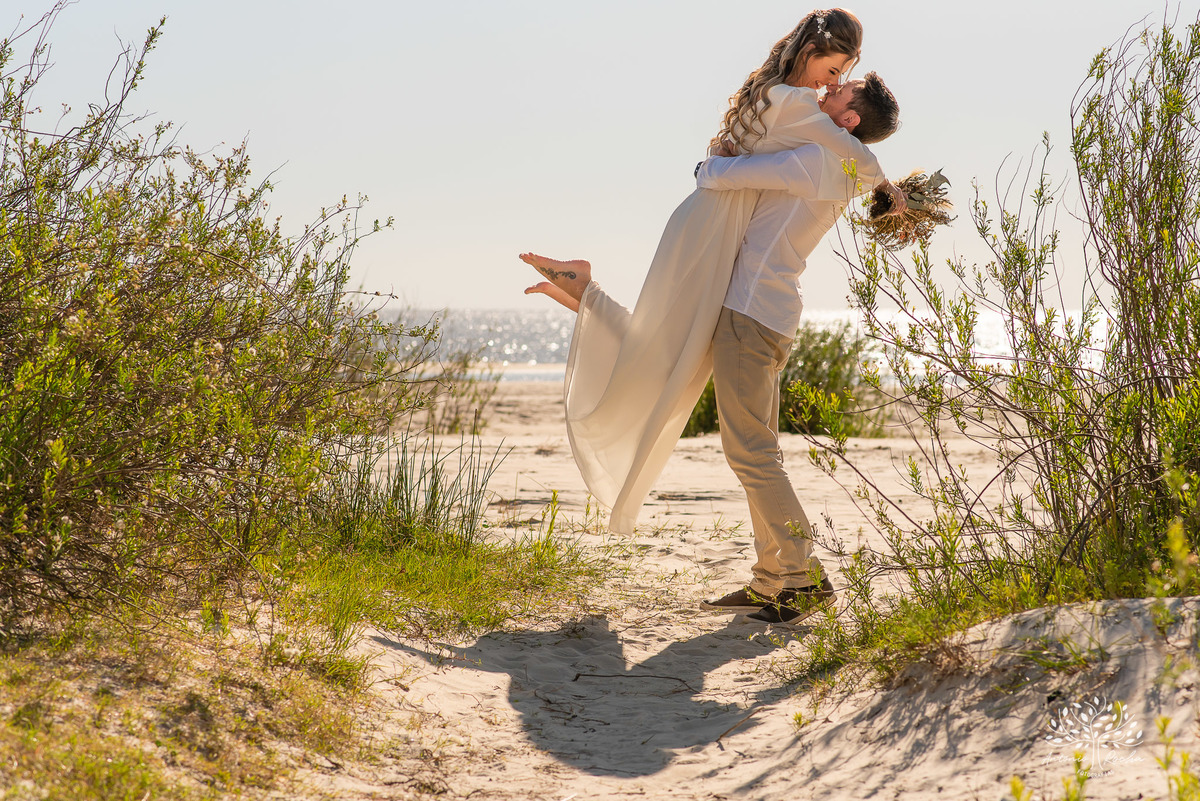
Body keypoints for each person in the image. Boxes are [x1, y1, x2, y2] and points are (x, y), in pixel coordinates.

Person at [521, 10, 902, 624]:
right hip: (758, 308)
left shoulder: (821, 161)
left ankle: (802, 577)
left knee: (751, 453)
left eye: (841, 88)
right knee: (709, 403)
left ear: (851, 121)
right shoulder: (827, 155)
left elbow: (726, 176)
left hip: (751, 311)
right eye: (833, 76)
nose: (829, 90)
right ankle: (772, 577)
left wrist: (712, 163)